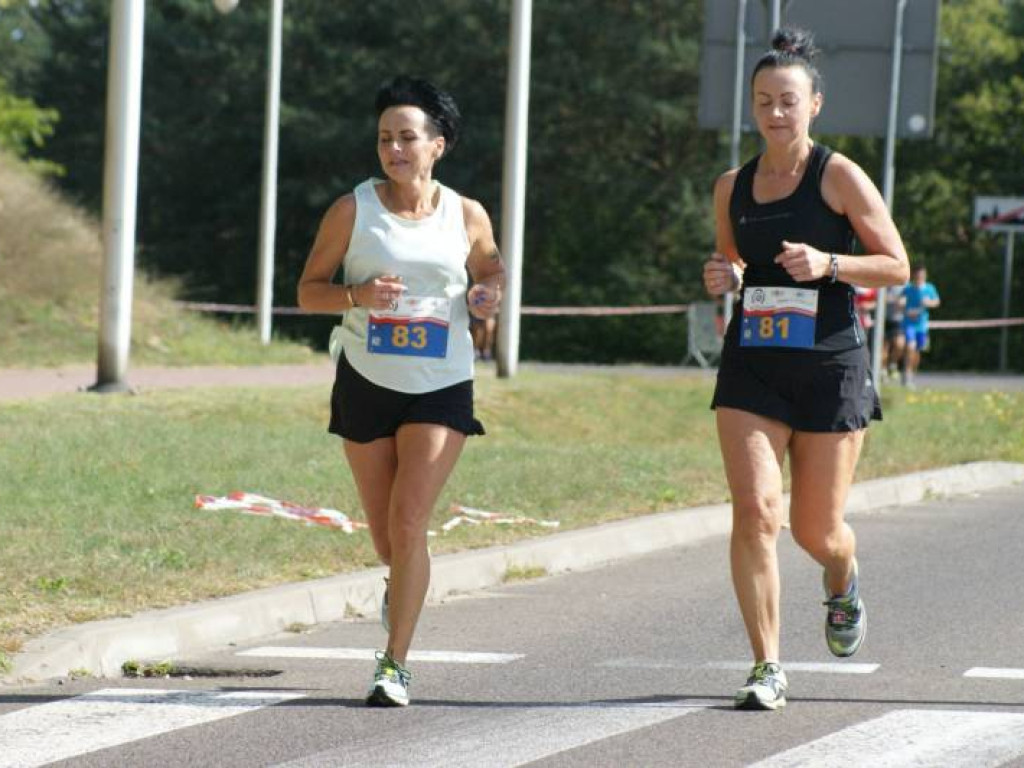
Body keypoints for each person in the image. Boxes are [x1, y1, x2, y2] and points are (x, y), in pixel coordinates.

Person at [702, 28, 909, 711]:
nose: (775, 113)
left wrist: (830, 264)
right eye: (763, 101)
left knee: (815, 530)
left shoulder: (840, 175)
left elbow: (896, 264)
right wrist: (721, 272)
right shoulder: (731, 185)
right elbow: (733, 262)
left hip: (829, 362)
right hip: (754, 362)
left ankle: (841, 577)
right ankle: (766, 666)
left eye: (788, 100)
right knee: (757, 510)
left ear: (813, 104)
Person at [298, 75, 504, 707]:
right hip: (366, 379)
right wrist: (358, 295)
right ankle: (402, 580)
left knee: (410, 520)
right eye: (385, 138)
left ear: (437, 145)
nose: (394, 149)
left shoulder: (465, 212)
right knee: (389, 535)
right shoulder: (352, 210)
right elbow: (308, 292)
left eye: (407, 138)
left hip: (441, 382)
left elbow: (489, 267)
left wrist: (486, 294)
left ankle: (395, 664)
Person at [901, 264, 940, 388]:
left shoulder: (929, 288)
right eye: (918, 275)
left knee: (917, 351)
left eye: (922, 275)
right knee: (910, 347)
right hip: (909, 324)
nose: (920, 277)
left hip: (922, 325)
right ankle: (907, 375)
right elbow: (900, 301)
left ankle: (911, 373)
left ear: (925, 276)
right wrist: (903, 306)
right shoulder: (908, 288)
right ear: (914, 276)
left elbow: (937, 302)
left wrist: (929, 303)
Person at [882, 282, 905, 379]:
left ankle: (893, 364)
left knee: (899, 344)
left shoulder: (903, 286)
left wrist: (903, 301)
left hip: (898, 320)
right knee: (884, 348)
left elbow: (906, 300)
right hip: (884, 320)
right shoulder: (883, 285)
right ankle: (883, 370)